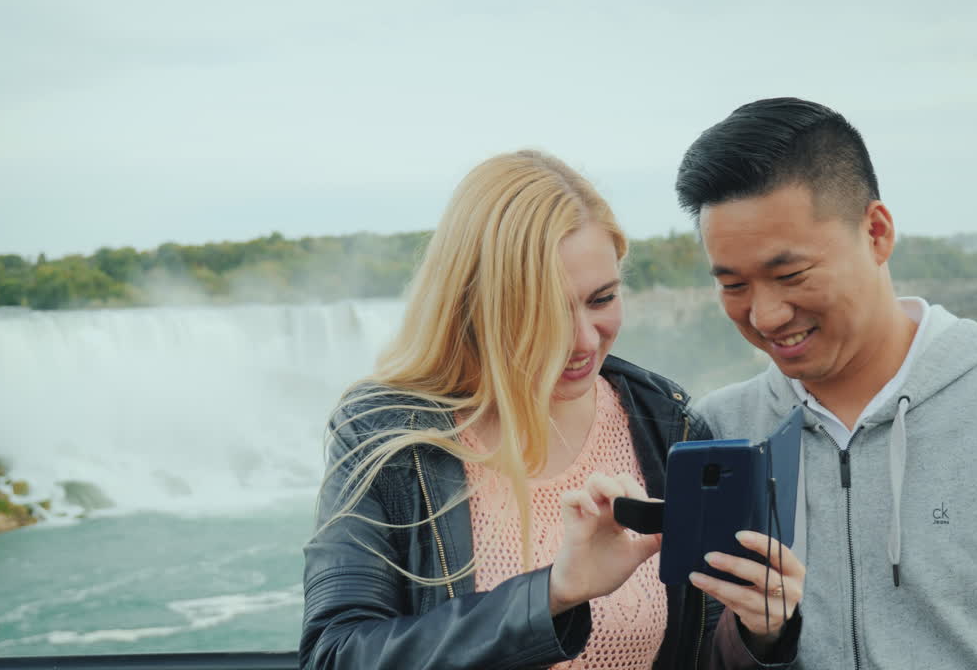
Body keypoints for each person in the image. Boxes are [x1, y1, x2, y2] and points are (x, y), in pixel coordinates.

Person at [675, 97, 977, 669]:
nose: (766, 315)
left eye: (789, 274)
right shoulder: (719, 431)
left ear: (876, 232)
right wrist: (764, 639)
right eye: (733, 285)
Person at [299, 150, 804, 670]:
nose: (585, 340)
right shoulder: (383, 435)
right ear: (478, 303)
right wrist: (552, 594)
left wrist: (761, 634)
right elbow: (335, 655)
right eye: (546, 311)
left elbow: (703, 657)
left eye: (602, 299)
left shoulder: (667, 423)